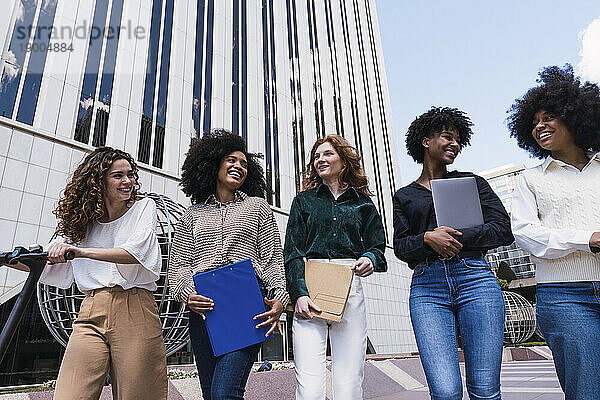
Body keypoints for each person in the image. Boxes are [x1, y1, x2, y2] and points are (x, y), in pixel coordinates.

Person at [393, 107, 513, 400]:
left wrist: (455, 236)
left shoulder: (472, 182)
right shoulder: (404, 195)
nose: (455, 145)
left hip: (476, 280)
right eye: (448, 137)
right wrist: (427, 238)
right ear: (425, 141)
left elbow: (502, 229)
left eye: (459, 140)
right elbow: (401, 247)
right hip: (427, 287)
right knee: (445, 392)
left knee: (485, 390)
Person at [168, 129, 289, 400]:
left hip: (246, 305)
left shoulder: (258, 207)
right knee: (211, 394)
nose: (239, 167)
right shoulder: (192, 214)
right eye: (232, 160)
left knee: (225, 393)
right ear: (214, 164)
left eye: (245, 164)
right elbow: (178, 266)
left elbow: (273, 261)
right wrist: (189, 294)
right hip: (204, 311)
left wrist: (279, 299)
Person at [38, 147, 167, 400]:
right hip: (91, 310)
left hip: (135, 307)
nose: (128, 181)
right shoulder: (82, 224)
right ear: (98, 181)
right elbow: (47, 262)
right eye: (118, 176)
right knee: (70, 395)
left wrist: (81, 252)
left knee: (139, 395)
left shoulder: (143, 208)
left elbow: (135, 253)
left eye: (130, 174)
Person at [507, 65, 600, 400]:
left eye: (548, 117)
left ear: (576, 115)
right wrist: (587, 240)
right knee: (586, 390)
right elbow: (526, 234)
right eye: (533, 122)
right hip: (565, 296)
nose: (539, 126)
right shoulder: (531, 179)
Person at [284, 134, 387, 400]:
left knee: (349, 382)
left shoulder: (363, 203)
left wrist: (370, 258)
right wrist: (299, 294)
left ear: (344, 160)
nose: (320, 160)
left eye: (327, 154)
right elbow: (293, 253)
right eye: (316, 156)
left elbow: (378, 245)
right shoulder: (303, 202)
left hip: (349, 288)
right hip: (310, 289)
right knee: (309, 387)